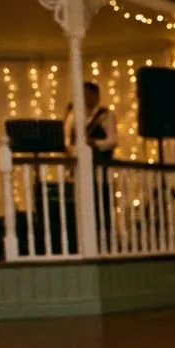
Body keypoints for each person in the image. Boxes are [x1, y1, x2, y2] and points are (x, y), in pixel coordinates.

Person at [65, 82, 118, 244]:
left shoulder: (105, 115)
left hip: (100, 168)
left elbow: (112, 141)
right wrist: (73, 150)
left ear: (96, 96)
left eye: (89, 94)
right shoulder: (73, 115)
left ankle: (105, 241)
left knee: (102, 205)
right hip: (80, 169)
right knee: (81, 205)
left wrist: (93, 143)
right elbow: (67, 139)